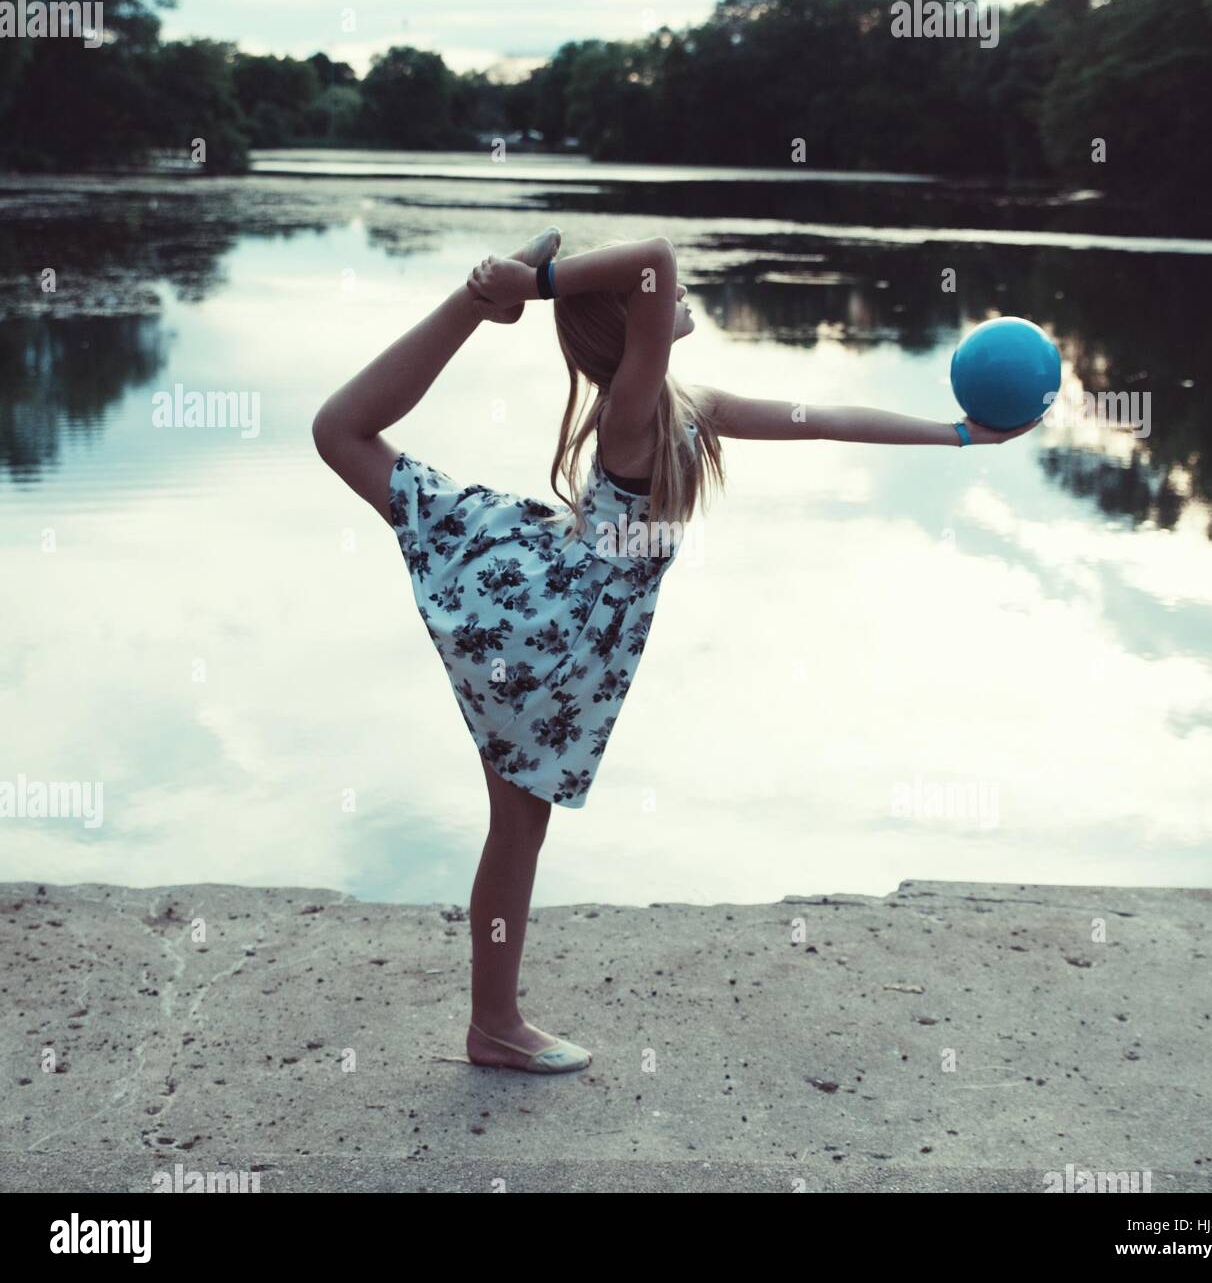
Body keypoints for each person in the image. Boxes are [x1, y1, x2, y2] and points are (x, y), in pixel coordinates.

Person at [312, 227, 1035, 1073]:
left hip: (552, 618)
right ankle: (495, 1025)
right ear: (635, 328)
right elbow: (653, 255)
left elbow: (825, 419)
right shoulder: (633, 411)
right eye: (661, 304)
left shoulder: (685, 411)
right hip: (546, 630)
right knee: (516, 826)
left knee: (516, 828)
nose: (681, 293)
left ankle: (494, 1025)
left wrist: (956, 436)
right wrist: (528, 284)